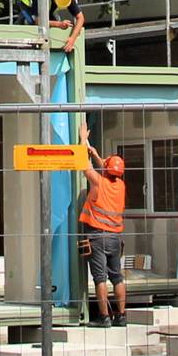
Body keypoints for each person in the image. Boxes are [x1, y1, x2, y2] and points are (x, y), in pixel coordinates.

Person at [76, 121, 128, 324]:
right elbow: (107, 168)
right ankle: (122, 316)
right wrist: (96, 155)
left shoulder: (98, 182)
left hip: (97, 237)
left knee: (100, 278)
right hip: (115, 239)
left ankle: (104, 316)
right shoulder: (120, 185)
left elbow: (83, 165)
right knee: (117, 277)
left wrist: (82, 140)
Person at [12, 0, 85, 54]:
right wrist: (58, 24)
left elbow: (80, 18)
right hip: (25, 0)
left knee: (53, 24)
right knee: (32, 22)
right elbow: (38, 21)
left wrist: (72, 39)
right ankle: (23, 20)